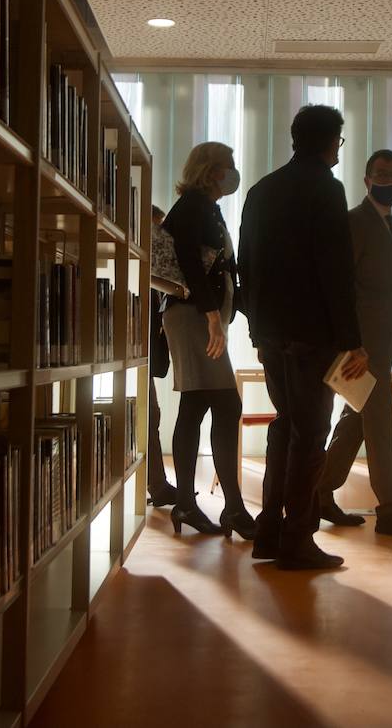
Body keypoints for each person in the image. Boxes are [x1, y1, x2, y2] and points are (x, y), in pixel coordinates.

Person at [239, 104, 369, 570]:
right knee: (311, 434)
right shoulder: (326, 189)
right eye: (340, 139)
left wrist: (254, 325)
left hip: (270, 333)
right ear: (331, 141)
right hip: (313, 335)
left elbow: (245, 263)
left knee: (284, 425)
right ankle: (297, 539)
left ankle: (269, 530)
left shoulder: (261, 190)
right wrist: (351, 339)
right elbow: (334, 272)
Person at [317, 150, 392, 539]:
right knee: (380, 421)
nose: (391, 181)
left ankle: (320, 491)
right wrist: (351, 343)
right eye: (382, 174)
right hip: (361, 346)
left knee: (356, 421)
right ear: (366, 179)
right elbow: (341, 285)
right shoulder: (355, 222)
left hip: (381, 342)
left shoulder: (390, 225)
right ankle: (390, 510)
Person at [161, 142, 256, 539]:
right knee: (224, 403)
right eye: (227, 166)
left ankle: (188, 503)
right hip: (194, 318)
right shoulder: (194, 208)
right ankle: (230, 507)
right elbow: (189, 268)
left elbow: (221, 268)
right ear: (210, 170)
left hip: (199, 317)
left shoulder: (205, 207)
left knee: (198, 403)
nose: (232, 173)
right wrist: (213, 318)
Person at [147, 204, 181, 508]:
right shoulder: (143, 270)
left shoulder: (153, 270)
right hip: (134, 355)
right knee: (149, 416)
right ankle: (157, 487)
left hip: (143, 356)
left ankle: (158, 486)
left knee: (151, 416)